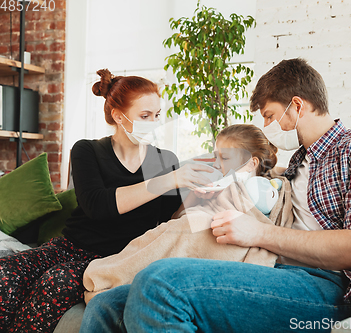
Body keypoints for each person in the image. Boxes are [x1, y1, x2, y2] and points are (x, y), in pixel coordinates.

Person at [79, 58, 351, 333]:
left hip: (322, 287)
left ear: (296, 106)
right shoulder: (297, 162)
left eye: (269, 115)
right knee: (107, 306)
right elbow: (263, 196)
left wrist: (259, 232)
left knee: (161, 282)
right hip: (269, 267)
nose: (266, 126)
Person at [0, 69, 213, 332]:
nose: (154, 123)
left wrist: (196, 198)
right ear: (118, 116)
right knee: (6, 273)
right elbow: (98, 206)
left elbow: (168, 221)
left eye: (157, 115)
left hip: (117, 258)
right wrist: (167, 181)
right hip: (70, 246)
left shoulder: (163, 160)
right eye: (144, 116)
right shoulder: (87, 150)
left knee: (55, 282)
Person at [82, 124, 292, 303]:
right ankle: (114, 273)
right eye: (215, 157)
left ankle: (107, 276)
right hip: (188, 225)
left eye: (225, 158)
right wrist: (196, 196)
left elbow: (252, 213)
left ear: (251, 163)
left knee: (180, 234)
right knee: (163, 233)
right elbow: (179, 218)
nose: (217, 164)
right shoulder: (218, 182)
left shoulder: (259, 187)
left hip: (218, 235)